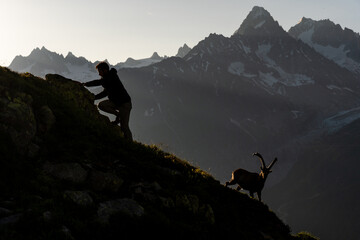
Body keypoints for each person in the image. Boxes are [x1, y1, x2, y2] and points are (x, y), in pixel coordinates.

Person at [83, 61, 133, 141]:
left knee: (124, 127)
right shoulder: (107, 79)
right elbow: (105, 92)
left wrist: (85, 84)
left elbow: (99, 82)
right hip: (116, 102)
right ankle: (118, 115)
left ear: (105, 70)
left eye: (100, 71)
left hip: (124, 104)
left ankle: (130, 144)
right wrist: (94, 97)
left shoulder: (111, 77)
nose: (99, 74)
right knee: (101, 105)